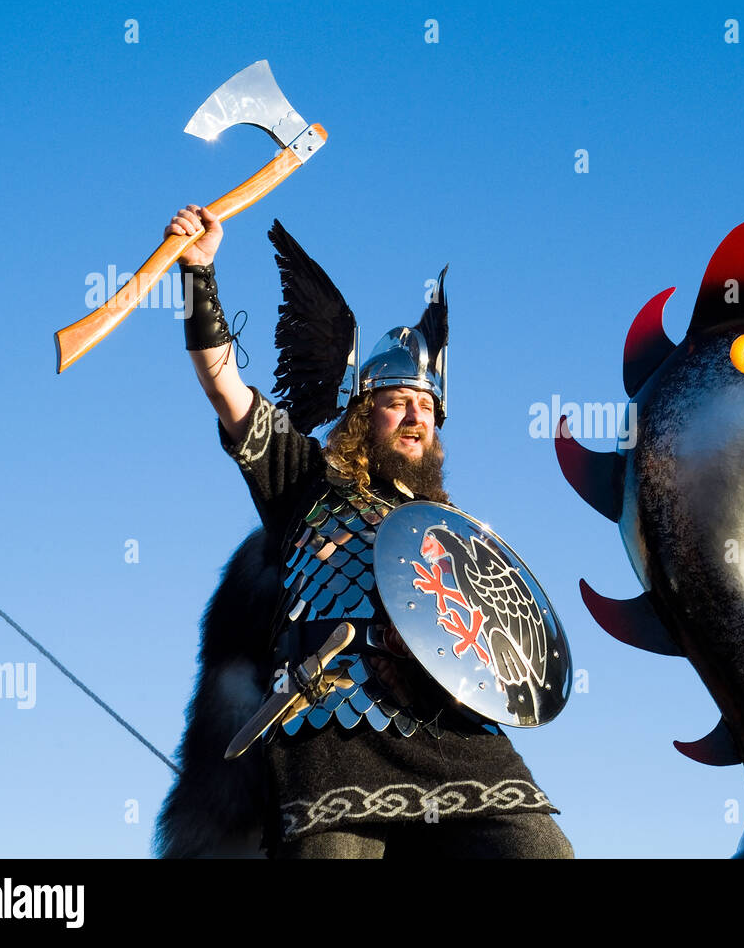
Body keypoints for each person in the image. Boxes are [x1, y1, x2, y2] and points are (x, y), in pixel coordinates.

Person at [162, 203, 573, 859]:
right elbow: (226, 390)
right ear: (362, 413)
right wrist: (198, 273)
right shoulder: (304, 483)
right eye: (397, 401)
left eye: (428, 406)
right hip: (332, 728)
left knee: (541, 851)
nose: (417, 415)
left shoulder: (449, 530)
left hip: (448, 728)